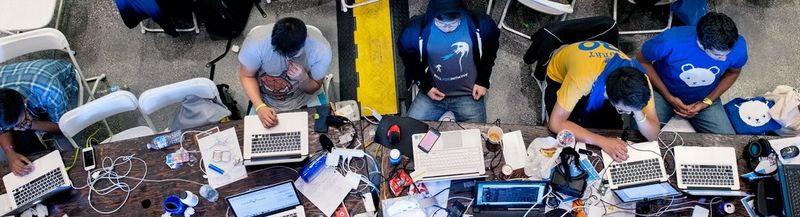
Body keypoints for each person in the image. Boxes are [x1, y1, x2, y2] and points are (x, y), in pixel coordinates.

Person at [545, 41, 661, 162]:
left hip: (597, 72)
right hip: (562, 76)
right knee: (566, 139)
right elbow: (556, 124)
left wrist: (638, 113)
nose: (627, 113)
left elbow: (653, 135)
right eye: (622, 110)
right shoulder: (582, 78)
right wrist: (603, 142)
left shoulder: (641, 81)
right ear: (609, 96)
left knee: (610, 126)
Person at [637, 12, 746, 134]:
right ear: (701, 44)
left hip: (705, 97)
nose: (725, 59)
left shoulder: (738, 47)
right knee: (639, 134)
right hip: (662, 92)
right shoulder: (669, 41)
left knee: (728, 143)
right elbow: (642, 60)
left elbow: (733, 73)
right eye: (717, 55)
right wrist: (669, 97)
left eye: (728, 53)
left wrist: (706, 102)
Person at [397, 0, 500, 123]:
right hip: (433, 93)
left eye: (453, 24)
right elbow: (409, 59)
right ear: (432, 15)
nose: (448, 29)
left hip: (468, 94)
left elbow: (491, 48)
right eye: (442, 24)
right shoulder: (414, 32)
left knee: (477, 136)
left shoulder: (480, 24)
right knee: (410, 129)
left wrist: (483, 81)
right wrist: (425, 86)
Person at [239, 17, 332, 128]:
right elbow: (246, 76)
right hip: (266, 100)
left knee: (321, 132)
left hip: (305, 97)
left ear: (305, 39)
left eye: (292, 53)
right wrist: (260, 106)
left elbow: (315, 86)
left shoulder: (321, 50)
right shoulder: (255, 45)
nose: (286, 58)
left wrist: (303, 78)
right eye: (280, 52)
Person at [0, 60, 79, 176]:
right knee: (16, 147)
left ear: (25, 102)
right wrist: (10, 153)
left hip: (65, 84)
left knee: (69, 153)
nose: (16, 129)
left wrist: (31, 124)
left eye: (17, 124)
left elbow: (63, 127)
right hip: (29, 81)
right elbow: (2, 130)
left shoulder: (51, 92)